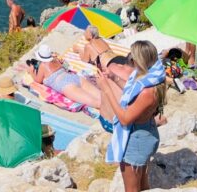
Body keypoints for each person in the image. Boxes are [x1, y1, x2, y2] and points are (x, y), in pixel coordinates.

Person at [97, 42, 167, 192]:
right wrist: (113, 78)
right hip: (145, 133)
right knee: (142, 185)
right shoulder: (153, 77)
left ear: (139, 61)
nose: (130, 61)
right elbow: (134, 97)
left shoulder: (147, 91)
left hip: (136, 140)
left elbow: (125, 119)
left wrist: (106, 89)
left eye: (132, 58)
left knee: (132, 189)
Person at [31, 44, 102, 108]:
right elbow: (65, 66)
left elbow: (38, 80)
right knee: (102, 97)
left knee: (97, 103)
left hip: (65, 85)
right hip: (74, 77)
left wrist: (31, 71)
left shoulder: (42, 65)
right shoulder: (56, 59)